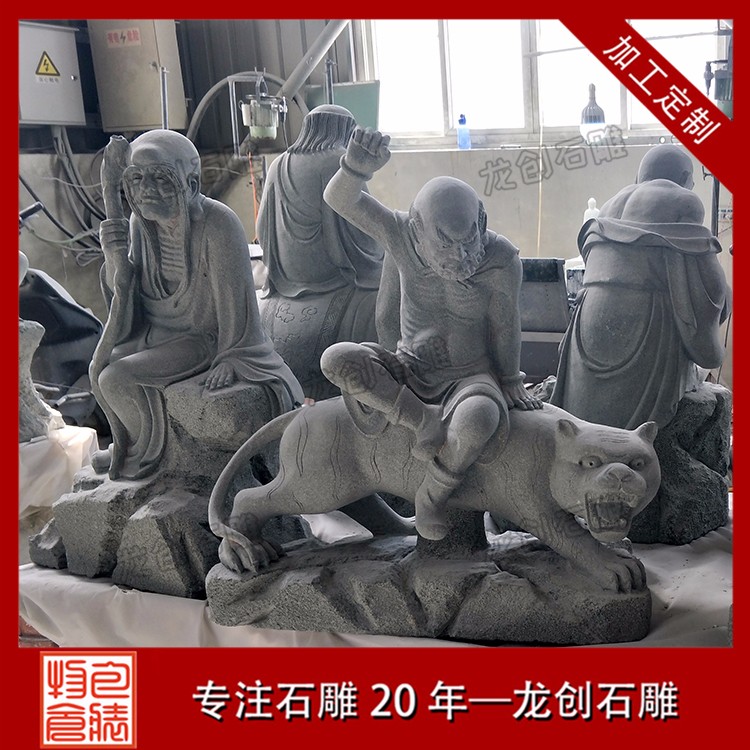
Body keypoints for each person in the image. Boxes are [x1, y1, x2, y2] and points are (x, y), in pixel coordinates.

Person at [322, 126, 542, 541]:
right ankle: (420, 419)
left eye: (469, 240)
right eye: (445, 244)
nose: (461, 255)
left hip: (469, 378)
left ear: (482, 221)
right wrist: (355, 169)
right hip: (407, 369)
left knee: (479, 421)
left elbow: (505, 324)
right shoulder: (398, 233)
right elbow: (340, 199)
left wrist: (511, 380)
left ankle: (431, 495)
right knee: (335, 359)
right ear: (417, 230)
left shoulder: (500, 259)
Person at [90, 130, 303, 481]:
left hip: (199, 339)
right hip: (154, 332)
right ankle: (132, 443)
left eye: (160, 179)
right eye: (137, 179)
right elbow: (126, 297)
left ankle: (149, 456)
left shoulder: (218, 224)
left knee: (115, 378)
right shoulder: (140, 225)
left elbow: (238, 312)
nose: (146, 190)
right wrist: (114, 257)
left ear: (190, 183)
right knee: (102, 366)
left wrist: (232, 357)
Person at [550, 144, 730, 429]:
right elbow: (707, 279)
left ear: (640, 175)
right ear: (685, 177)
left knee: (587, 414)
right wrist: (725, 299)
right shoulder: (683, 200)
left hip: (589, 319)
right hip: (645, 313)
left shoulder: (610, 205)